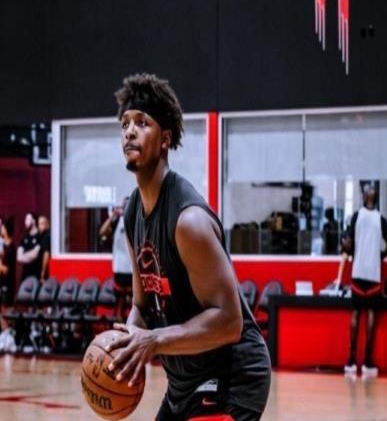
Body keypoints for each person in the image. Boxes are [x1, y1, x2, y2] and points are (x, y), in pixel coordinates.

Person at [106, 73, 271, 421]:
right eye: (125, 124)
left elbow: (230, 323)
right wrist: (128, 342)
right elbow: (141, 306)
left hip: (232, 378)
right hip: (185, 382)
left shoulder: (188, 221)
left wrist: (153, 340)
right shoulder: (132, 213)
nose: (130, 131)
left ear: (165, 139)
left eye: (142, 123)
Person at [336, 185, 387, 377]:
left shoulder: (356, 216)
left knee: (355, 314)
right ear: (375, 198)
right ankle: (368, 361)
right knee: (371, 314)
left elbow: (348, 244)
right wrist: (378, 255)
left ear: (364, 197)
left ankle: (351, 359)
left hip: (358, 270)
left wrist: (347, 248)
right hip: (374, 272)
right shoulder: (381, 220)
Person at [99, 197, 132, 319]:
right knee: (120, 304)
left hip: (133, 269)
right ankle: (120, 327)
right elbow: (102, 233)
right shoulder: (117, 221)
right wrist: (112, 216)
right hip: (120, 268)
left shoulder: (136, 220)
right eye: (124, 205)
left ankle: (132, 327)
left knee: (135, 304)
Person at [0, 217, 17, 352]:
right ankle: (4, 334)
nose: (1, 229)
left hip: (8, 283)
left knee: (6, 310)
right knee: (0, 310)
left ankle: (9, 337)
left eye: (3, 227)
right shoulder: (3, 246)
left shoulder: (11, 248)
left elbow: (6, 269)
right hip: (2, 282)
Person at [17, 212, 41, 281]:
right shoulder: (24, 238)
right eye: (25, 219)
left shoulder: (40, 237)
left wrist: (24, 255)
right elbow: (19, 258)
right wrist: (29, 256)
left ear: (33, 221)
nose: (25, 222)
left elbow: (35, 255)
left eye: (27, 219)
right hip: (25, 276)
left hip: (36, 276)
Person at [37, 215, 51, 283]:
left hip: (46, 270)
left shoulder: (47, 237)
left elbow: (46, 254)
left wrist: (43, 271)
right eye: (39, 224)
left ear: (47, 225)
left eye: (42, 224)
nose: (40, 226)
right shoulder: (40, 236)